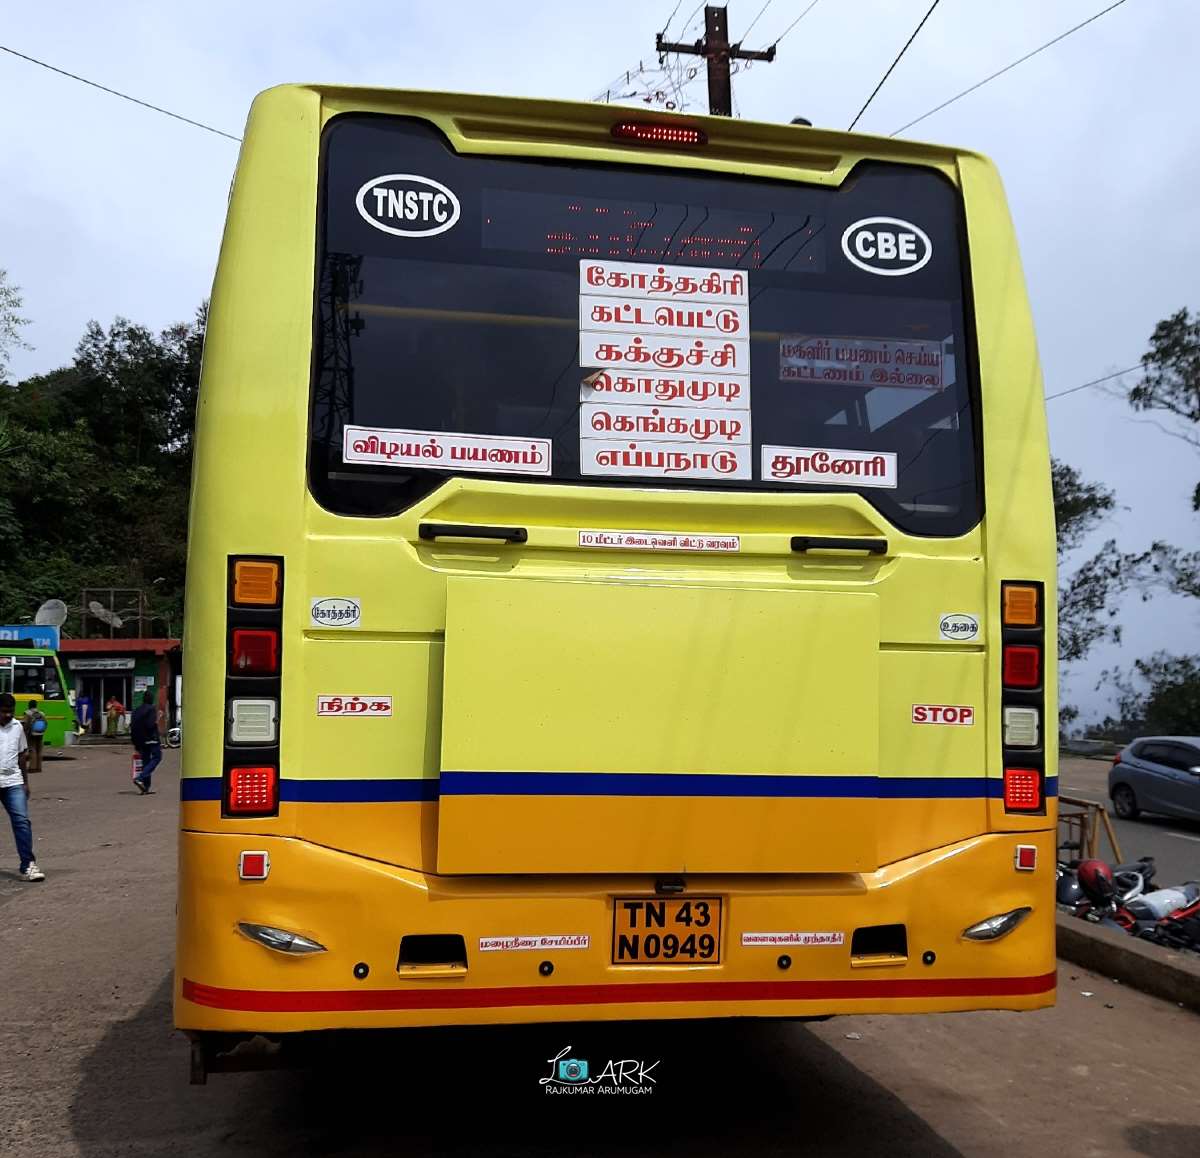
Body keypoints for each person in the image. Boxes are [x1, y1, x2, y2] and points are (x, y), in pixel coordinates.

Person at [0, 692, 45, 881]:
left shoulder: (18, 727)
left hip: (13, 782)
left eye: (11, 712)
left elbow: (21, 756)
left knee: (22, 822)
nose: (8, 715)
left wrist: (26, 782)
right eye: (3, 712)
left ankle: (28, 865)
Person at [129, 690, 162, 795]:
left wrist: (136, 743)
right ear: (151, 699)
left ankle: (145, 788)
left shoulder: (136, 711)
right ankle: (140, 778)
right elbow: (150, 725)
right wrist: (158, 717)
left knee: (146, 762)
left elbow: (133, 727)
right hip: (152, 739)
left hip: (141, 741)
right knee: (157, 757)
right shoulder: (151, 709)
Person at [22, 700, 47, 774]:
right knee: (39, 750)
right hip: (40, 733)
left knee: (32, 749)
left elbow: (26, 724)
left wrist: (25, 732)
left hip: (31, 734)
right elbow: (46, 723)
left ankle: (32, 768)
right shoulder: (41, 713)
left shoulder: (28, 713)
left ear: (29, 705)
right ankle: (39, 767)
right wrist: (42, 730)